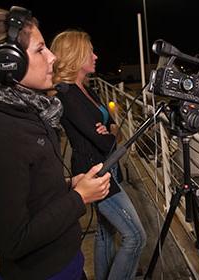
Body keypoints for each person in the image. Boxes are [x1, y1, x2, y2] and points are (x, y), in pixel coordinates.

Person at [0, 7, 111, 279]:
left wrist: (69, 185)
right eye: (40, 49)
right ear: (8, 62)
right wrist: (80, 198)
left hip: (67, 265)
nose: (52, 57)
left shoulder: (27, 113)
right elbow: (13, 240)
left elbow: (29, 189)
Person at [50, 30, 146, 280]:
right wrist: (112, 134)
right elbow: (104, 141)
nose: (95, 55)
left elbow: (113, 126)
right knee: (135, 237)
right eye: (90, 51)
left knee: (105, 233)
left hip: (108, 167)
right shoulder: (66, 94)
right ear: (76, 55)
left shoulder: (87, 90)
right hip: (94, 172)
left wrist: (112, 132)